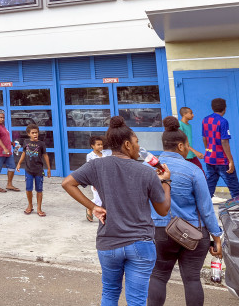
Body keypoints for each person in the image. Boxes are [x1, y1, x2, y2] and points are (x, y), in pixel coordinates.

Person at [62, 116, 171, 306]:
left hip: (109, 242)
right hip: (141, 243)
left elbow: (67, 183)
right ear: (127, 144)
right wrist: (166, 181)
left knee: (110, 293)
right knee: (137, 300)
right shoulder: (146, 172)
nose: (139, 147)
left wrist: (93, 207)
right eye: (137, 142)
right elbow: (163, 210)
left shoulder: (97, 165)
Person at [147, 117, 223, 306]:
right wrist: (217, 236)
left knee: (158, 276)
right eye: (187, 145)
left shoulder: (146, 169)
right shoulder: (193, 170)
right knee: (192, 279)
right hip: (193, 233)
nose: (188, 148)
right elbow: (206, 209)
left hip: (158, 232)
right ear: (180, 146)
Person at [202, 98, 239, 202]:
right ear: (225, 108)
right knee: (234, 188)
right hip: (222, 160)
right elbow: (224, 142)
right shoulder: (223, 121)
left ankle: (202, 208)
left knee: (209, 187)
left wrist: (208, 150)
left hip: (210, 159)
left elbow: (204, 138)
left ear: (212, 108)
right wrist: (230, 160)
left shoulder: (205, 120)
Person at [16, 124, 51, 217]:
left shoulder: (41, 144)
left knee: (39, 190)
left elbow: (45, 156)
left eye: (36, 132)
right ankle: (30, 205)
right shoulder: (26, 142)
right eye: (33, 133)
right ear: (29, 134)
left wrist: (48, 168)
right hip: (28, 170)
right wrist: (19, 163)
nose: (35, 134)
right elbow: (24, 153)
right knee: (28, 189)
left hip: (39, 171)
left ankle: (39, 208)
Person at [0, 110, 19, 193]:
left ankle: (9, 184)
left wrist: (12, 143)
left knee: (12, 166)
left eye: (3, 117)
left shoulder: (2, 126)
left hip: (6, 152)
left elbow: (5, 138)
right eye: (1, 117)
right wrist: (4, 148)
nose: (2, 119)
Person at [85, 136, 111, 222]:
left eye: (101, 144)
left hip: (106, 179)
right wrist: (94, 183)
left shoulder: (105, 154)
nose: (100, 146)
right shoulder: (90, 156)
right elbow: (90, 170)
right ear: (92, 146)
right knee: (98, 199)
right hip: (96, 180)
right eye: (98, 144)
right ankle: (90, 207)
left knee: (105, 198)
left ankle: (93, 208)